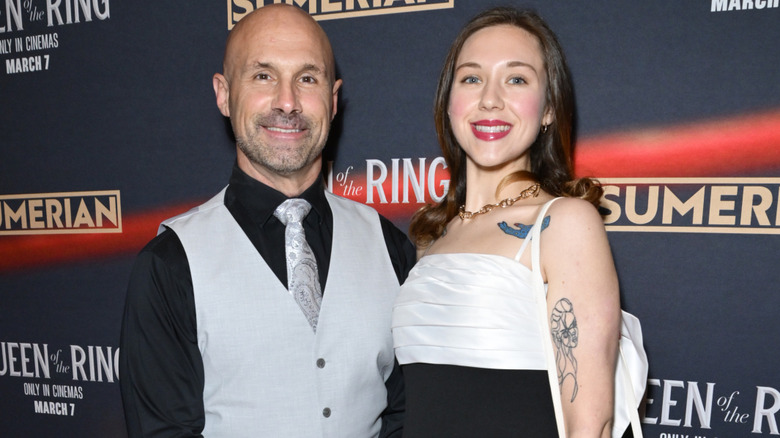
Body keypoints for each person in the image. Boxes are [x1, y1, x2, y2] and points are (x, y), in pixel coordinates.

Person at [119, 5, 413, 437]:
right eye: (263, 76)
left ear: (332, 101)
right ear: (223, 94)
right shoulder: (170, 265)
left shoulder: (389, 245)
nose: (288, 102)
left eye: (307, 78)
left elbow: (407, 414)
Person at [392, 7, 623, 437]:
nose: (490, 99)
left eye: (516, 79)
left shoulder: (564, 223)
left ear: (549, 108)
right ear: (448, 103)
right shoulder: (433, 235)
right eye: (472, 78)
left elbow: (590, 425)